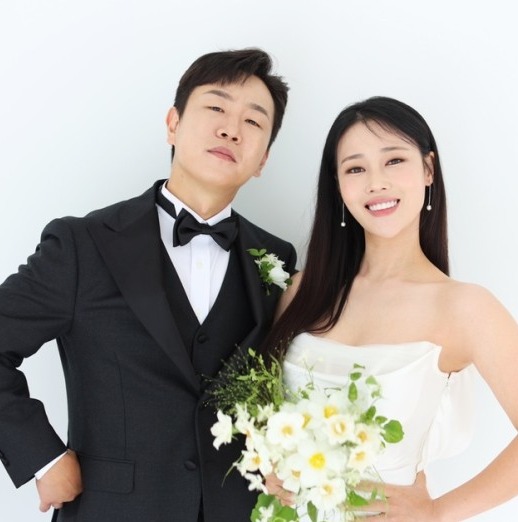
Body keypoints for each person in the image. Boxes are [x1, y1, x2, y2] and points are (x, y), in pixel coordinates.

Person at [0, 48, 297, 522]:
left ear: (263, 159)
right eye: (216, 108)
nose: (231, 130)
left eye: (253, 121)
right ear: (173, 124)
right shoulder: (83, 245)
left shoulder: (277, 260)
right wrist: (43, 457)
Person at [263, 96, 518, 520]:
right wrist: (267, 464)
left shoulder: (464, 308)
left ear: (428, 169)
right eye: (355, 169)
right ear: (338, 185)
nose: (375, 183)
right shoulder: (301, 291)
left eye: (394, 160)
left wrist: (437, 512)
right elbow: (266, 418)